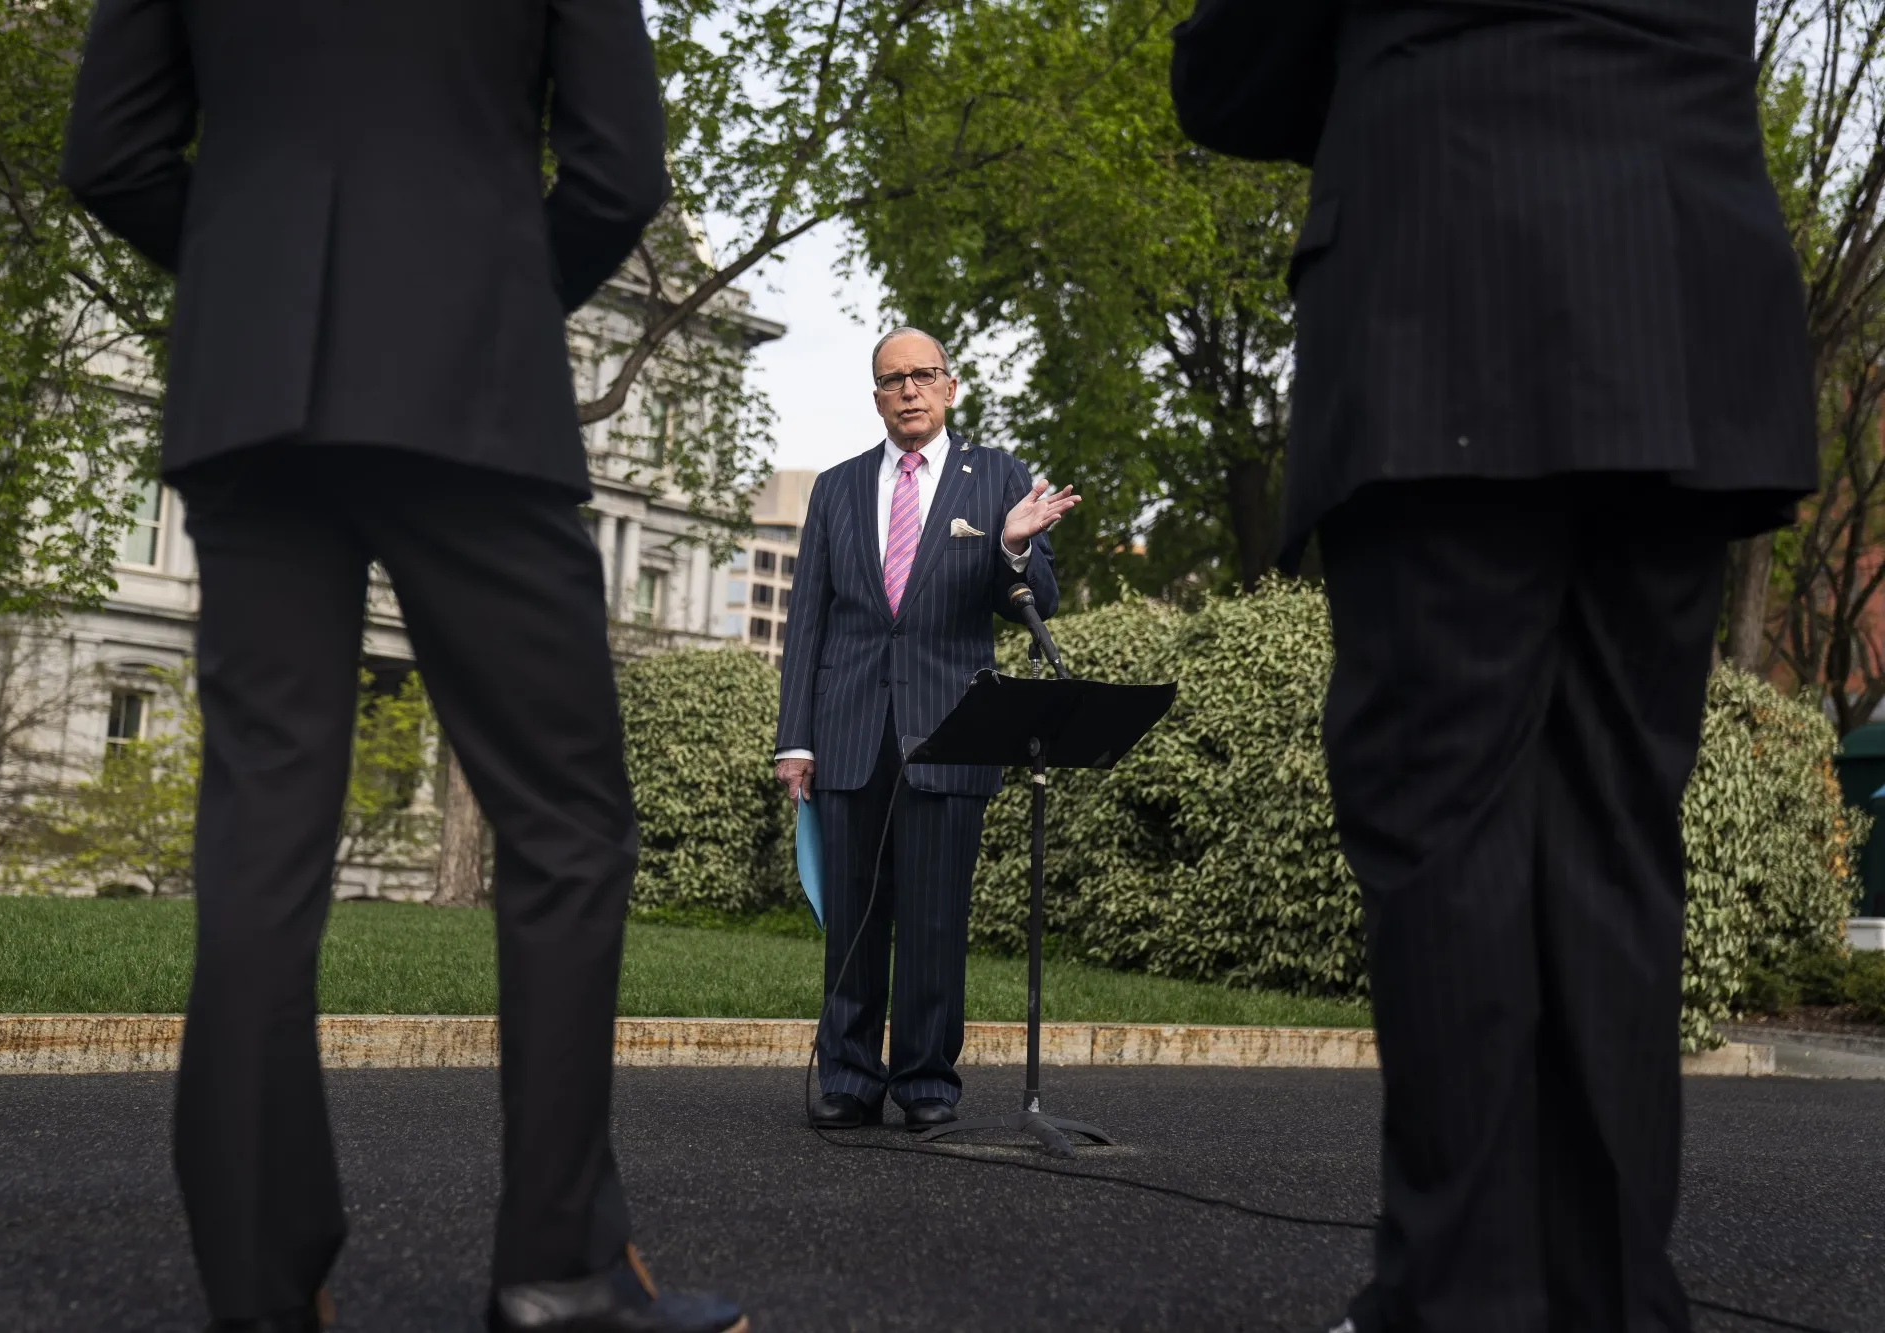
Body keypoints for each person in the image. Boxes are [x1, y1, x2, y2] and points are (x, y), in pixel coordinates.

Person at [61, 3, 745, 1331]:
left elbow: (111, 153)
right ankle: (557, 1266)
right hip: (468, 377)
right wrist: (475, 286)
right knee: (564, 824)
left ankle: (259, 1287)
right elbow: (619, 170)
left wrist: (251, 272)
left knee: (260, 837)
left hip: (248, 388)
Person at [1171, 3, 1818, 1331]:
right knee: (1615, 831)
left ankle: (1463, 1296)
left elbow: (1230, 77)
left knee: (1446, 821)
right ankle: (1607, 1295)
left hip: (1445, 295)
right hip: (1677, 305)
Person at [775, 328, 1079, 1130]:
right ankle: (846, 1075)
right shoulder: (836, 489)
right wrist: (794, 738)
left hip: (953, 730)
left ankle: (925, 1084)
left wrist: (1013, 543)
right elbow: (806, 620)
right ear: (875, 396)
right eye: (891, 379)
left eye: (922, 376)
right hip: (848, 733)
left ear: (950, 387)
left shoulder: (998, 479)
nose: (907, 390)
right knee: (853, 917)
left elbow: (1037, 599)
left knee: (936, 918)